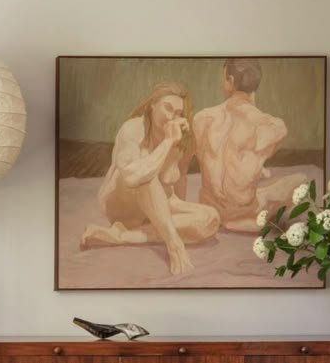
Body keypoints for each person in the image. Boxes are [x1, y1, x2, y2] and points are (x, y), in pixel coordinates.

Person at [80, 82, 219, 275]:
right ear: (153, 104)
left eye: (178, 112)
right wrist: (168, 142)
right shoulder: (133, 128)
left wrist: (178, 145)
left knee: (210, 218)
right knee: (146, 175)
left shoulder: (180, 136)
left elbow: (179, 180)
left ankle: (123, 236)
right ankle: (174, 245)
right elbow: (132, 177)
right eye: (168, 108)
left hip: (156, 207)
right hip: (122, 203)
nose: (173, 117)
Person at [194, 58, 307, 233]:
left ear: (230, 81)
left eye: (223, 79)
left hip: (210, 208)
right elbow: (252, 151)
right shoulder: (273, 126)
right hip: (241, 211)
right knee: (301, 180)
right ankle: (246, 221)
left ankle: (224, 220)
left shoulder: (202, 118)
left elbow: (220, 154)